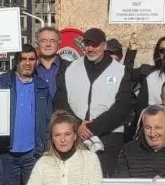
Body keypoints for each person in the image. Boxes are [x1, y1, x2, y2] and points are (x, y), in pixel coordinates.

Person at [54, 27, 134, 176]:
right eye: (87, 44)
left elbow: (122, 108)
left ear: (104, 45)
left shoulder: (120, 71)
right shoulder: (71, 68)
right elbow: (60, 100)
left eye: (95, 45)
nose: (90, 49)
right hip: (76, 138)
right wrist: (77, 125)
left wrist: (92, 128)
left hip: (108, 141)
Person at [0, 46, 53, 185]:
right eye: (23, 59)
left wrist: (47, 147)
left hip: (33, 153)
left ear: (36, 62)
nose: (27, 63)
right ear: (16, 62)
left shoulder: (42, 86)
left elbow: (48, 119)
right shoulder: (3, 82)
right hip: (6, 152)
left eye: (31, 59)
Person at [0, 113, 101, 185]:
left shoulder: (90, 159)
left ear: (75, 136)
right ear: (52, 138)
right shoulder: (43, 163)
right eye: (57, 135)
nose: (62, 140)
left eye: (67, 134)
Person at [34, 27, 66, 100]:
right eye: (43, 41)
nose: (48, 44)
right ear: (37, 44)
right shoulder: (30, 70)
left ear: (58, 45)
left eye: (52, 41)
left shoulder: (70, 68)